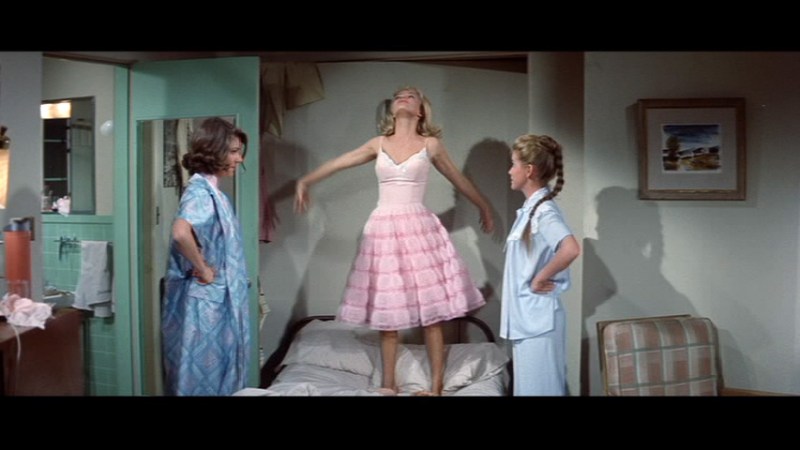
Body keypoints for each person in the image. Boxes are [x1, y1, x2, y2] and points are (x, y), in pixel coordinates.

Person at [294, 86, 494, 396]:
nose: (403, 96)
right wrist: (306, 181)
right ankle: (389, 386)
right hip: (384, 230)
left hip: (418, 229)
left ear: (421, 110)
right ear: (391, 108)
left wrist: (484, 206)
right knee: (388, 316)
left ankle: (436, 388)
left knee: (431, 315)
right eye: (399, 94)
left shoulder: (430, 144)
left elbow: (458, 177)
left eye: (411, 95)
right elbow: (340, 162)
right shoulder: (379, 143)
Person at [161, 117, 251, 396]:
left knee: (219, 371)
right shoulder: (200, 192)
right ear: (214, 151)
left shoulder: (212, 192)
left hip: (215, 297)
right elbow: (180, 232)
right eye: (233, 151)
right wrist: (204, 269)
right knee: (204, 377)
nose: (239, 158)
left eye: (239, 151)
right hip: (207, 301)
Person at [500, 133, 580, 396]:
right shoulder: (530, 210)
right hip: (528, 319)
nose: (510, 171)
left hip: (538, 320)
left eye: (513, 164)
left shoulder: (544, 212)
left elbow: (570, 248)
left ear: (529, 170)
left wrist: (540, 278)